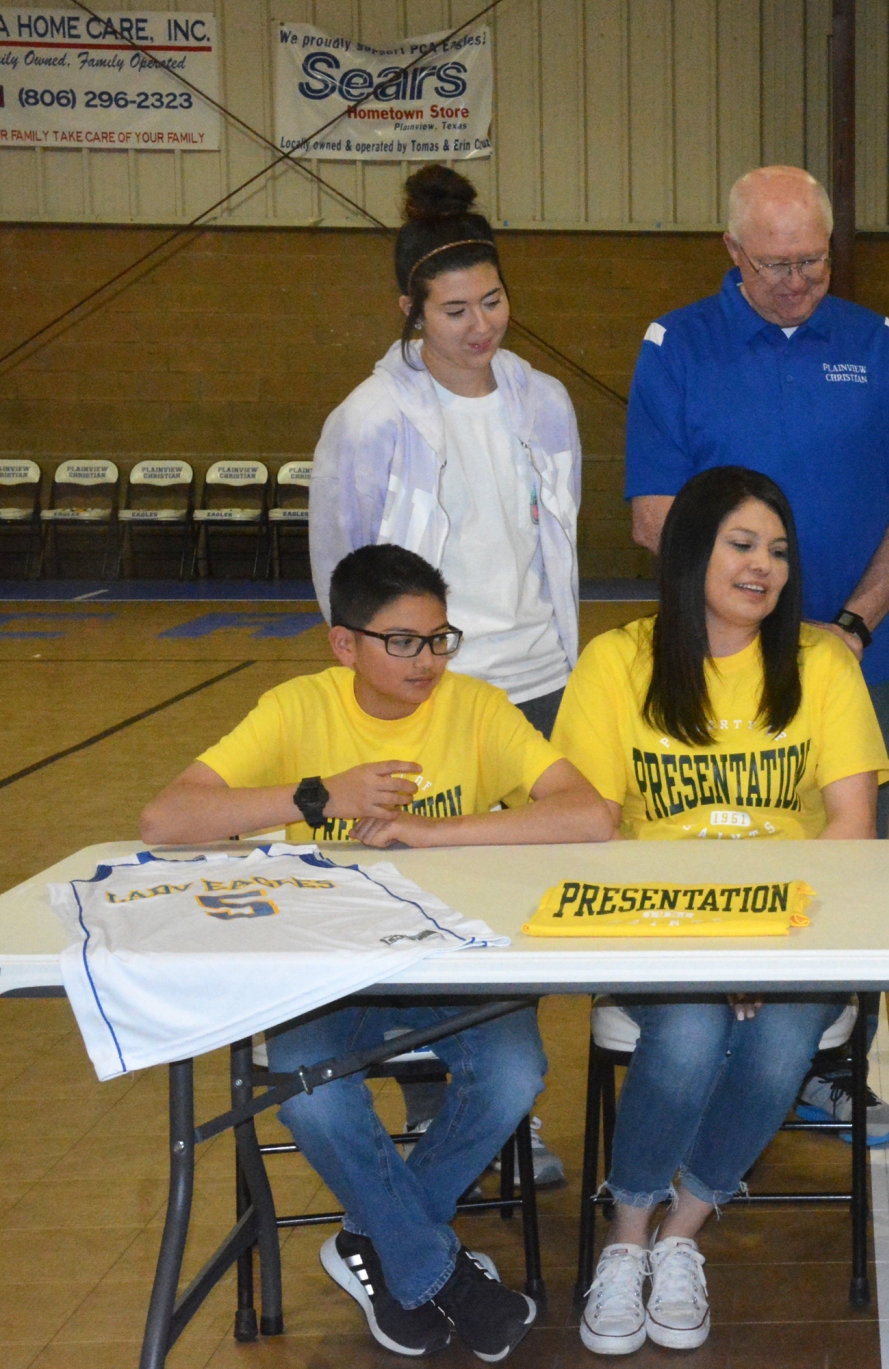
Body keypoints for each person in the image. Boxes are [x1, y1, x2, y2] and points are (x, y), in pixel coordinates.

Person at [139, 544, 614, 1362]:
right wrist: (318, 794)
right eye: (402, 641)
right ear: (344, 643)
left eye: (438, 638)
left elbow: (591, 814)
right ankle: (436, 1270)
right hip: (327, 975)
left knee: (513, 1073)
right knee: (311, 1097)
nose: (426, 660)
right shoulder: (294, 709)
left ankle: (376, 1242)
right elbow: (166, 819)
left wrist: (436, 832)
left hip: (455, 967)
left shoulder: (477, 707)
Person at [623, 163, 889, 1144]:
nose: (800, 280)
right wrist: (744, 627)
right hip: (715, 670)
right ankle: (707, 1058)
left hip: (850, 668)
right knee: (716, 850)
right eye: (777, 264)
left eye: (814, 259)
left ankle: (832, 1069)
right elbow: (653, 515)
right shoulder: (677, 345)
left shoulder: (872, 342)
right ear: (732, 253)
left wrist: (849, 627)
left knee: (850, 873)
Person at [556, 466, 889, 1357]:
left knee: (783, 1036)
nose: (764, 567)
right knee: (695, 1026)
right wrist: (710, 942)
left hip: (796, 927)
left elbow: (853, 826)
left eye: (778, 551)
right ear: (690, 550)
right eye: (742, 545)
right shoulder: (615, 662)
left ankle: (681, 1232)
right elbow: (585, 829)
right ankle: (625, 1237)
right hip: (653, 923)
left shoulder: (822, 663)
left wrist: (764, 938)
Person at [309, 163, 586, 1180]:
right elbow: (342, 574)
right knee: (424, 905)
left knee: (521, 904)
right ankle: (446, 1109)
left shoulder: (547, 402)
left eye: (494, 301)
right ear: (409, 311)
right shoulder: (368, 422)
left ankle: (513, 1106)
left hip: (539, 682)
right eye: (456, 310)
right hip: (426, 700)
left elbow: (557, 545)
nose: (481, 326)